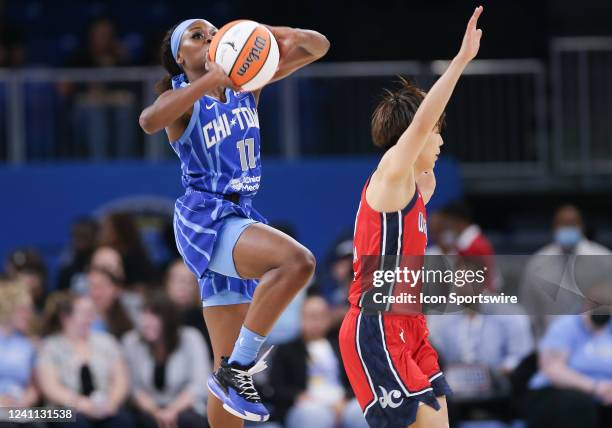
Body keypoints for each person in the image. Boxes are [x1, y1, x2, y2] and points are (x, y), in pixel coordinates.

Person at [139, 18, 328, 425]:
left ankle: (231, 370)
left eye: (211, 32)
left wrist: (273, 33)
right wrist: (209, 82)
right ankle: (239, 367)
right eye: (195, 36)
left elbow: (319, 46)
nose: (207, 38)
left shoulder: (246, 85)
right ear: (179, 57)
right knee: (298, 262)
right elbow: (149, 121)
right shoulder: (183, 98)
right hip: (205, 217)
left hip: (238, 214)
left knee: (223, 375)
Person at [338, 7, 483, 428]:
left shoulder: (421, 189)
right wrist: (460, 61)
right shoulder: (391, 175)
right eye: (437, 129)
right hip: (377, 325)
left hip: (409, 326)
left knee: (440, 422)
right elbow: (419, 124)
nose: (440, 137)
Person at [36, 292, 134, 428]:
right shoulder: (50, 347)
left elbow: (121, 380)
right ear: (65, 317)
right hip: (65, 409)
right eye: (84, 313)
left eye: (92, 313)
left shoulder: (107, 341)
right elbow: (51, 388)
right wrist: (81, 404)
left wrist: (112, 402)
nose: (90, 318)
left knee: (122, 421)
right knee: (75, 422)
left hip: (105, 405)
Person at [270, 296, 367, 428]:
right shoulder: (286, 350)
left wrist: (345, 399)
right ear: (300, 317)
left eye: (321, 315)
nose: (316, 321)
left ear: (329, 318)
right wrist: (298, 396)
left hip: (342, 402)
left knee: (362, 410)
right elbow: (276, 387)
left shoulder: (342, 345)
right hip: (308, 404)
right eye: (311, 316)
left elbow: (358, 379)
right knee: (313, 415)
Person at [525, 285, 612, 428]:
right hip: (557, 393)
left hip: (604, 395)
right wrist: (595, 388)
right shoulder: (566, 326)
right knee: (578, 404)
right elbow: (552, 369)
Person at [520, 204, 612, 338]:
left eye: (572, 224)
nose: (567, 228)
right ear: (554, 227)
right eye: (563, 224)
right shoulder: (537, 264)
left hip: (597, 342)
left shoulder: (604, 260)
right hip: (551, 341)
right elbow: (529, 311)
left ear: (582, 227)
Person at [122, 290, 211, 428]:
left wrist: (172, 410)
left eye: (154, 315)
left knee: (189, 421)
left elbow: (199, 384)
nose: (147, 322)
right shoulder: (131, 342)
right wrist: (156, 411)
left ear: (168, 318)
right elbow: (133, 387)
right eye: (144, 314)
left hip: (185, 407)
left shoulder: (191, 338)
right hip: (148, 409)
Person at [0, 283, 39, 427]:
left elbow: (34, 386)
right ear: (8, 308)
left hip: (18, 407)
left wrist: (26, 400)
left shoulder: (28, 345)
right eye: (24, 310)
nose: (29, 315)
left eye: (30, 310)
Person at [165, 258, 212, 357]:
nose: (183, 287)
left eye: (189, 282)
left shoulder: (207, 320)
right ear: (167, 284)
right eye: (178, 280)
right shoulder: (159, 317)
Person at [87, 266, 134, 340]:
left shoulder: (131, 313)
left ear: (117, 289)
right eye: (91, 287)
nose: (95, 294)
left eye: (100, 287)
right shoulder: (83, 321)